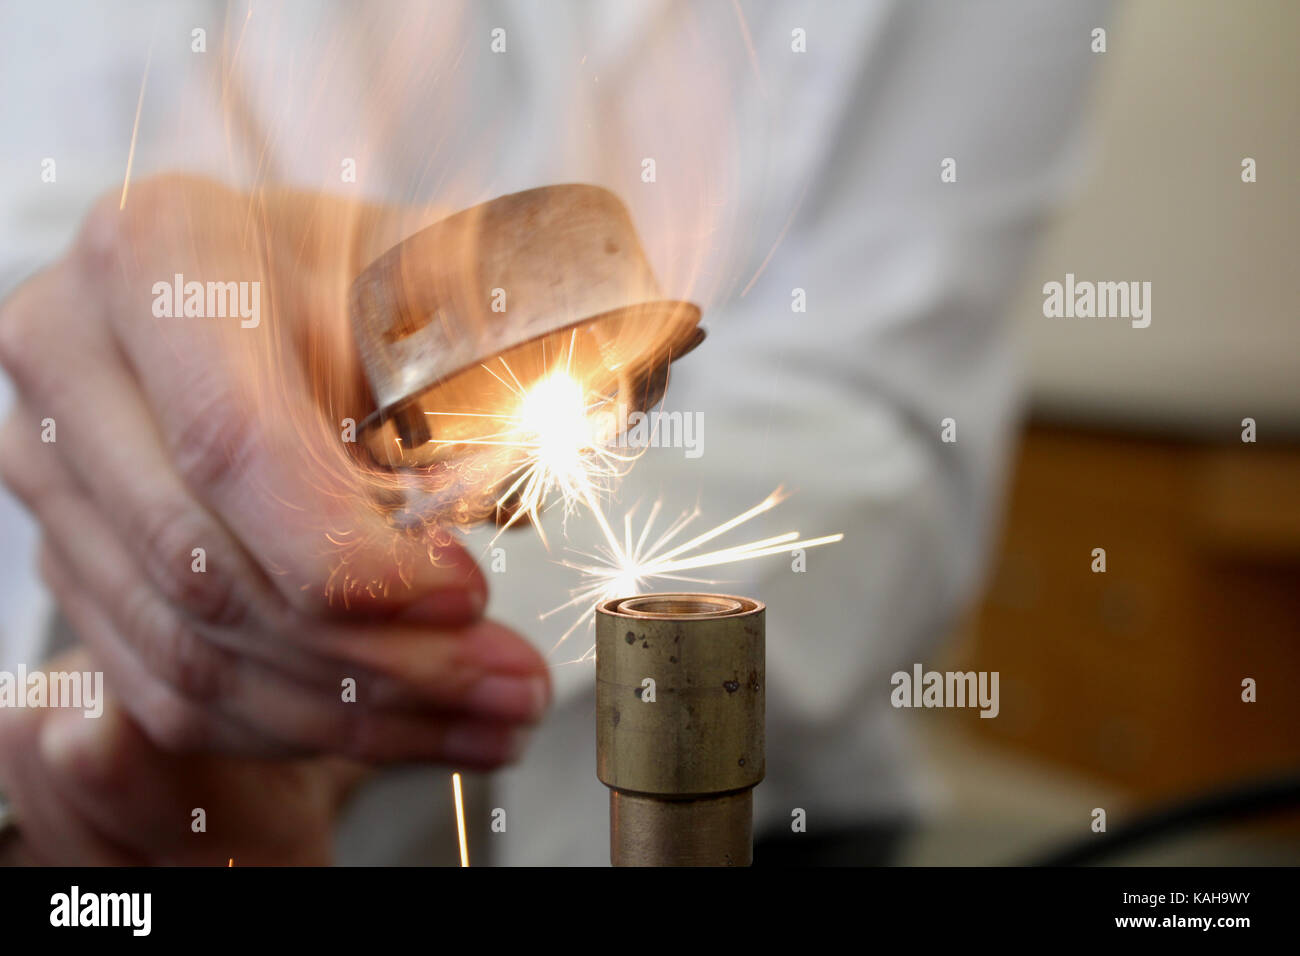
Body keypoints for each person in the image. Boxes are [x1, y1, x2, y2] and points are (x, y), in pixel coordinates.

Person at [0, 0, 1105, 865]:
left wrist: (368, 671)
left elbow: (879, 425)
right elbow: (46, 252)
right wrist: (170, 557)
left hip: (777, 819)